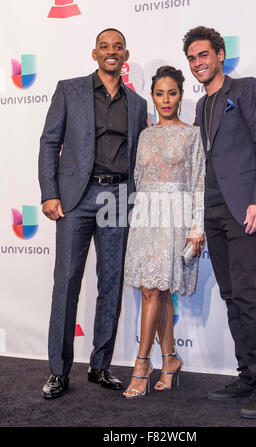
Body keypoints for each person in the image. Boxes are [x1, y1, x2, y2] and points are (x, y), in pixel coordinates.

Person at [38, 28, 148, 399]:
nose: (111, 52)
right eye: (105, 47)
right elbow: (50, 141)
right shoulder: (69, 89)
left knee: (111, 283)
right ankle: (58, 371)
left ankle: (100, 365)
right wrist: (50, 193)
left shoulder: (137, 104)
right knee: (67, 281)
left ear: (126, 55)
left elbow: (137, 158)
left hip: (118, 197)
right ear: (94, 54)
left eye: (118, 47)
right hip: (75, 198)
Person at [183, 26, 256, 418]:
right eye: (192, 58)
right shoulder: (200, 106)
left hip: (245, 208)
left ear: (220, 54)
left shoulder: (245, 90)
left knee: (244, 293)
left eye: (203, 55)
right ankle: (246, 375)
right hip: (213, 213)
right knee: (230, 296)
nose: (197, 63)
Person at [123, 66, 205, 398]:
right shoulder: (145, 134)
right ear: (152, 97)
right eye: (159, 93)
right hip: (145, 218)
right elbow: (140, 180)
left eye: (172, 93)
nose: (165, 99)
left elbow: (200, 183)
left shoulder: (192, 134)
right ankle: (169, 359)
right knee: (155, 290)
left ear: (181, 95)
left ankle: (142, 364)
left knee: (154, 291)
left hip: (176, 219)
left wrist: (197, 228)